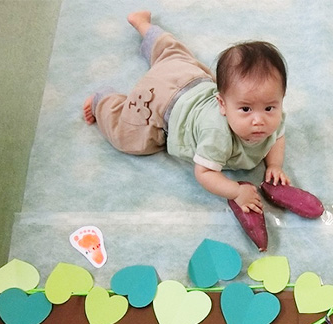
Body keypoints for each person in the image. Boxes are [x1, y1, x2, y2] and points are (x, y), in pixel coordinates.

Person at [83, 11, 290, 215]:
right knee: (127, 137)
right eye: (245, 109)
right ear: (222, 104)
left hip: (189, 76)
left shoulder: (274, 116)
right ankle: (103, 100)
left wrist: (274, 165)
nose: (259, 120)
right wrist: (236, 191)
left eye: (269, 108)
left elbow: (277, 136)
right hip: (161, 102)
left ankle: (143, 25)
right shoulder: (216, 134)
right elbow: (205, 172)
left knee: (171, 53)